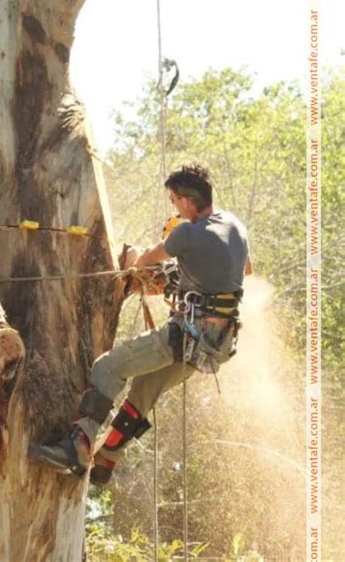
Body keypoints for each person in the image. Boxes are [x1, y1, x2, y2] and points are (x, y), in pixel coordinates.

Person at [29, 161, 252, 485]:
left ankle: (77, 447)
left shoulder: (186, 233)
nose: (175, 207)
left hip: (186, 335)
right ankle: (106, 459)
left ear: (185, 200)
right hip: (217, 345)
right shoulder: (235, 226)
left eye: (174, 201)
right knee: (145, 389)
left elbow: (145, 260)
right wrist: (194, 275)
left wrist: (139, 264)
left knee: (108, 367)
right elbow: (246, 269)